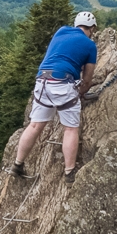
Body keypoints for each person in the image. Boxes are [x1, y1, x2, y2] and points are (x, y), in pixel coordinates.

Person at [10, 11, 98, 182]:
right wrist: (81, 93)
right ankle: (69, 172)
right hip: (63, 84)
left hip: (42, 81)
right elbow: (87, 79)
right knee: (70, 128)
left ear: (76, 24)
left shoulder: (61, 31)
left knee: (35, 125)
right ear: (92, 28)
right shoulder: (90, 45)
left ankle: (17, 164)